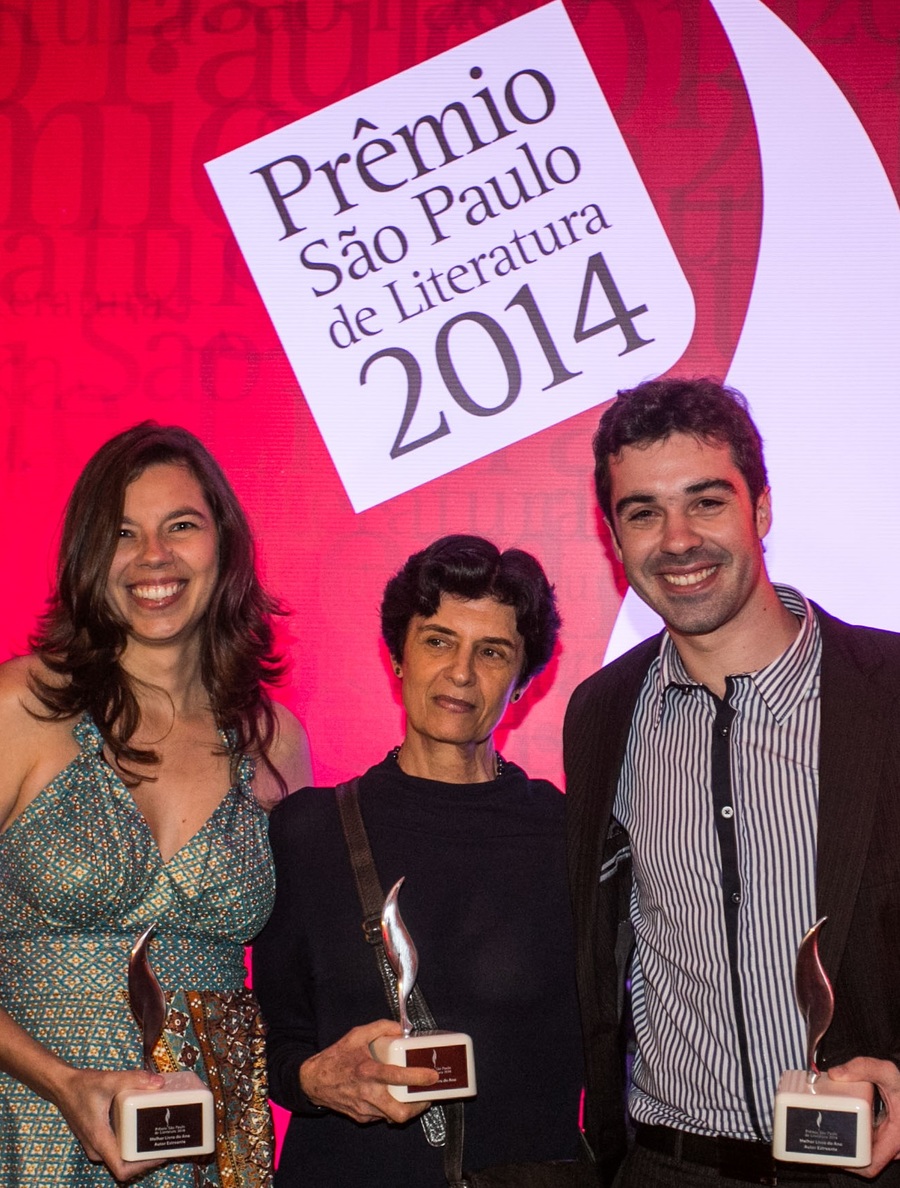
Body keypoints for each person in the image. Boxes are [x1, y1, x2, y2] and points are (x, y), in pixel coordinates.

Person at [564, 376, 900, 1188]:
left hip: (865, 1167)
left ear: (763, 508)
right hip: (666, 1165)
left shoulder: (886, 692)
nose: (677, 539)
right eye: (644, 512)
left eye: (706, 502)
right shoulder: (603, 714)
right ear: (614, 539)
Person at [0, 422, 311, 1186]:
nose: (153, 558)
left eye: (181, 526)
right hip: (31, 1129)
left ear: (223, 544)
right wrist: (63, 1083)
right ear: (88, 556)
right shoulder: (20, 707)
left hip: (215, 1146)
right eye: (123, 534)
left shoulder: (274, 741)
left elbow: (308, 966)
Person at [253, 534, 585, 1187]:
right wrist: (316, 1080)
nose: (461, 672)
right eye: (437, 640)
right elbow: (272, 1044)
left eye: (492, 652)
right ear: (398, 654)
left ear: (523, 681)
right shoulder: (309, 831)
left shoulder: (567, 834)